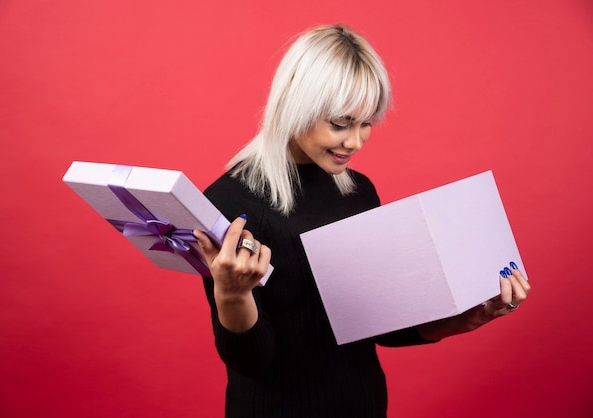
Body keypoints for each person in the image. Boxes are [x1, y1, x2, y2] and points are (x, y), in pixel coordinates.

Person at [193, 24, 531, 418]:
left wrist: (463, 319)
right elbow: (252, 363)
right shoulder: (230, 203)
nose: (355, 141)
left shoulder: (357, 192)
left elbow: (379, 326)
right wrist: (232, 294)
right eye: (340, 123)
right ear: (295, 106)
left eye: (367, 122)